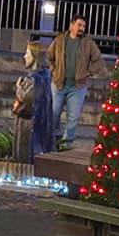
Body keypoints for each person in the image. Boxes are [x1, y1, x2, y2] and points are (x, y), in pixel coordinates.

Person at [46, 16, 106, 151]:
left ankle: (65, 145)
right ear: (71, 25)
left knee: (72, 119)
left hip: (77, 87)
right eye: (79, 25)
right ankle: (51, 142)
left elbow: (98, 62)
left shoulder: (88, 43)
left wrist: (87, 72)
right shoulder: (60, 40)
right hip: (58, 84)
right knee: (53, 114)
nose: (81, 28)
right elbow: (49, 57)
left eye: (83, 26)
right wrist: (53, 70)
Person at [12, 41, 55, 164]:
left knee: (27, 159)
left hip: (31, 126)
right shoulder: (45, 76)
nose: (25, 57)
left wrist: (19, 88)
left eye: (27, 53)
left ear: (35, 56)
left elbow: (27, 103)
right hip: (42, 123)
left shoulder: (33, 79)